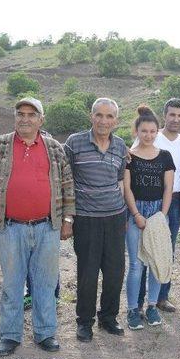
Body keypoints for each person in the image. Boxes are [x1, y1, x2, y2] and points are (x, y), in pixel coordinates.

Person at [0, 97, 75, 356]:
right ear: (15, 117)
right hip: (10, 228)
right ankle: (9, 336)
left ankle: (45, 333)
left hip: (47, 227)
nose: (25, 118)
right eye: (21, 113)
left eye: (32, 114)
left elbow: (67, 186)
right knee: (12, 283)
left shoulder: (54, 148)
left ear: (41, 120)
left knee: (46, 282)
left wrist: (67, 221)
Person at [64, 97, 128, 342]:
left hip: (114, 218)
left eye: (109, 116)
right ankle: (84, 322)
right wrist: (68, 218)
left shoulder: (121, 146)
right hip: (87, 219)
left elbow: (120, 181)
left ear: (116, 121)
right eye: (99, 115)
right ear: (91, 116)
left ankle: (109, 317)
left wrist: (124, 215)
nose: (104, 121)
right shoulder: (74, 143)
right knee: (87, 274)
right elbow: (65, 182)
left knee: (115, 272)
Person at [124, 105, 175, 330]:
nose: (149, 135)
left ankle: (152, 306)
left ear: (157, 132)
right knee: (136, 265)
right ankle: (133, 309)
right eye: (144, 131)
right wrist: (136, 214)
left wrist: (161, 216)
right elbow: (127, 189)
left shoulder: (165, 156)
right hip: (135, 213)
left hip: (157, 214)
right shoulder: (129, 157)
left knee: (156, 261)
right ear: (137, 131)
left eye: (153, 131)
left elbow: (168, 188)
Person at [135, 98, 180, 314]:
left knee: (166, 249)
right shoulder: (150, 136)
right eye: (172, 114)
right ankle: (138, 299)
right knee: (143, 249)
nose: (175, 119)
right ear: (164, 115)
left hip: (173, 201)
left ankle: (161, 297)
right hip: (147, 199)